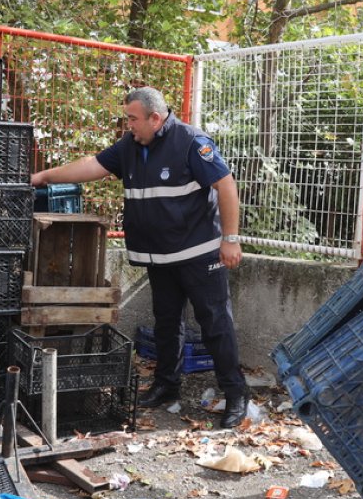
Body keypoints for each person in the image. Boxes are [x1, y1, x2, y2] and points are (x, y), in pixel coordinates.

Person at [30, 87, 249, 429]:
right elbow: (93, 166)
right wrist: (44, 176)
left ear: (155, 118)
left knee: (214, 323)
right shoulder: (130, 146)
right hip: (160, 256)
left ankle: (236, 394)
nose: (128, 125)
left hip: (198, 253)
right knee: (166, 322)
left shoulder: (191, 142)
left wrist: (230, 239)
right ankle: (166, 385)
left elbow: (226, 185)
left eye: (133, 119)